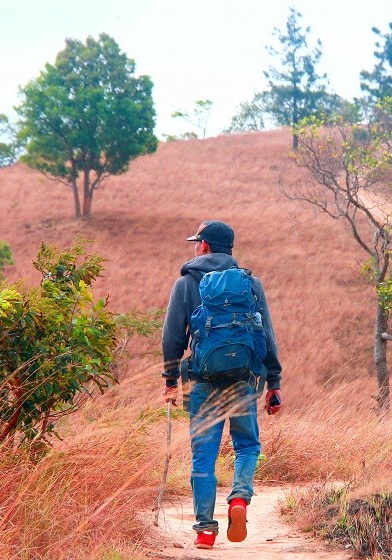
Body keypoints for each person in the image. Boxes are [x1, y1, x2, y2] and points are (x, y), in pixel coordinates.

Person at [161, 220, 283, 550]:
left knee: (204, 457)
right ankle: (239, 498)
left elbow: (172, 337)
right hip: (243, 380)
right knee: (246, 445)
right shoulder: (250, 284)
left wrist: (170, 382)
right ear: (230, 249)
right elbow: (266, 334)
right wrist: (274, 382)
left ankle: (204, 530)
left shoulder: (185, 284)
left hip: (202, 383)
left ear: (203, 245)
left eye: (196, 242)